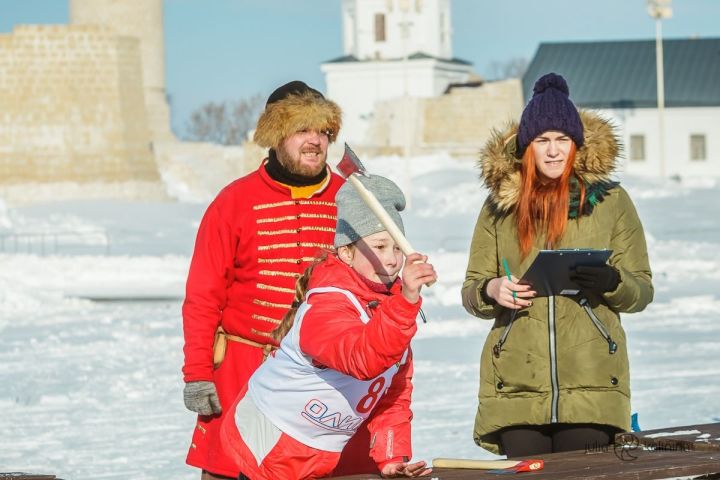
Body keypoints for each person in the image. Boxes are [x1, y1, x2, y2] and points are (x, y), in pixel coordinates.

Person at [461, 72, 654, 458]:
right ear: (526, 146)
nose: (552, 151)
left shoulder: (612, 201)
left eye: (562, 140)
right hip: (516, 383)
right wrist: (492, 289)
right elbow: (472, 289)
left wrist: (612, 280)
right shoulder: (499, 207)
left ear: (576, 144)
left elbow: (642, 291)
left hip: (594, 381)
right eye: (542, 140)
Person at [220, 174, 436, 479]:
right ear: (346, 252)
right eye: (379, 246)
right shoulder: (328, 303)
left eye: (397, 248)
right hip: (270, 444)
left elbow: (392, 394)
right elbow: (363, 359)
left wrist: (391, 457)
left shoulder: (387, 309)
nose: (391, 261)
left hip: (316, 456)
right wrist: (407, 300)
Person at [181, 80, 345, 479]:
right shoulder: (233, 202)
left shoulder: (348, 199)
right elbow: (203, 297)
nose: (315, 142)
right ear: (275, 136)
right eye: (302, 130)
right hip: (243, 375)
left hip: (323, 382)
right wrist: (198, 374)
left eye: (323, 131)